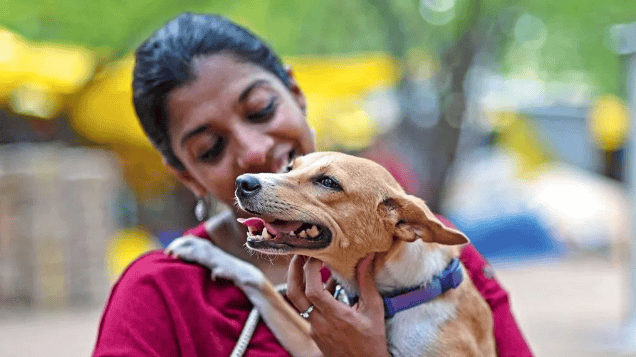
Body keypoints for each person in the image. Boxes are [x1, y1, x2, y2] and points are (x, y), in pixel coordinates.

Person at [92, 13, 533, 357]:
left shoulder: (439, 260)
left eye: (261, 109)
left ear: (297, 95)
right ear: (186, 175)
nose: (253, 155)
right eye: (210, 148)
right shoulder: (158, 295)